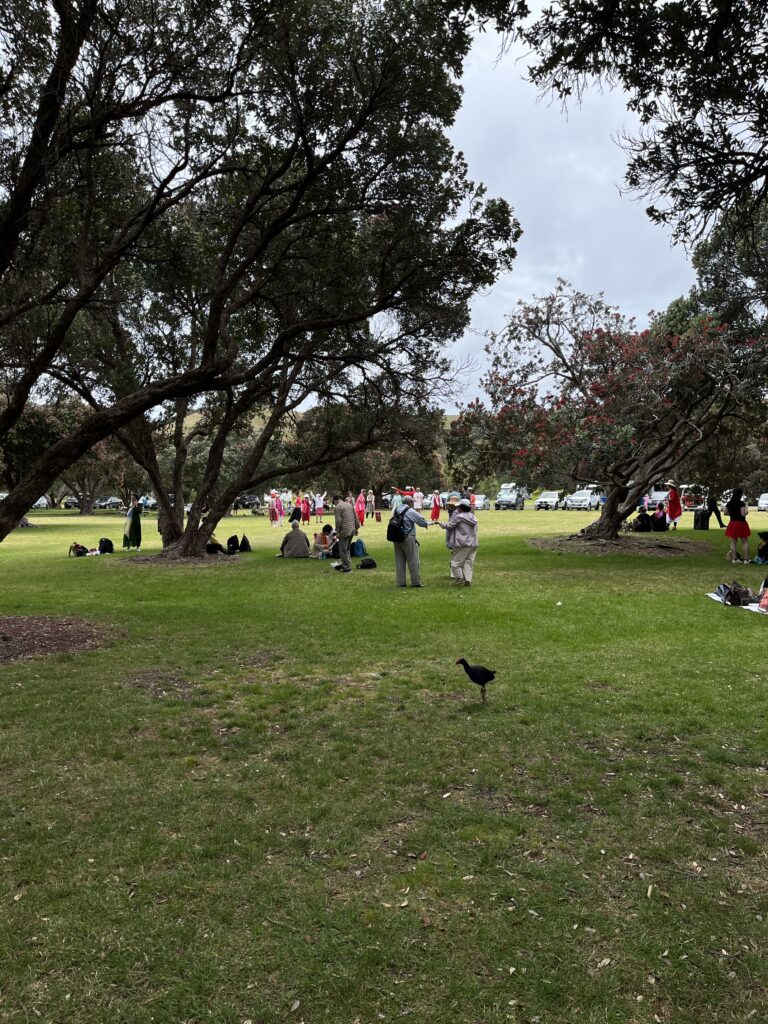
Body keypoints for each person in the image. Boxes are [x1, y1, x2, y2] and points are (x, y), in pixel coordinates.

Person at [391, 493, 430, 588]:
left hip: (396, 538)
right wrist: (427, 523)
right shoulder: (410, 510)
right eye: (412, 502)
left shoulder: (397, 510)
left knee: (399, 561)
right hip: (408, 537)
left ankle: (401, 582)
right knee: (413, 560)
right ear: (410, 502)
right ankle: (415, 582)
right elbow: (422, 521)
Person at [438, 497, 478, 586]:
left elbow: (449, 526)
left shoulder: (459, 517)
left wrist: (441, 524)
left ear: (462, 507)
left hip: (462, 543)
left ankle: (460, 578)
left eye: (459, 506)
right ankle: (468, 580)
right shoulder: (473, 517)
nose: (457, 508)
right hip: (473, 543)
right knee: (468, 562)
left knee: (455, 563)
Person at [333, 494, 358, 572]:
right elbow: (356, 517)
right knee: (347, 549)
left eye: (334, 502)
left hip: (344, 530)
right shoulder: (349, 505)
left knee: (343, 550)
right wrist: (356, 528)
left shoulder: (337, 507)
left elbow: (338, 521)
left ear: (335, 500)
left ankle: (346, 568)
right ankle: (347, 563)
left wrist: (337, 531)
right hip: (352, 529)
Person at [725, 487, 750, 563]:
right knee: (744, 542)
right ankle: (746, 559)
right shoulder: (741, 503)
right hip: (741, 523)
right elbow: (743, 514)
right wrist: (746, 510)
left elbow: (725, 513)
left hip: (732, 523)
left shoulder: (729, 503)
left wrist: (732, 514)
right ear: (740, 495)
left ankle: (734, 559)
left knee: (733, 542)